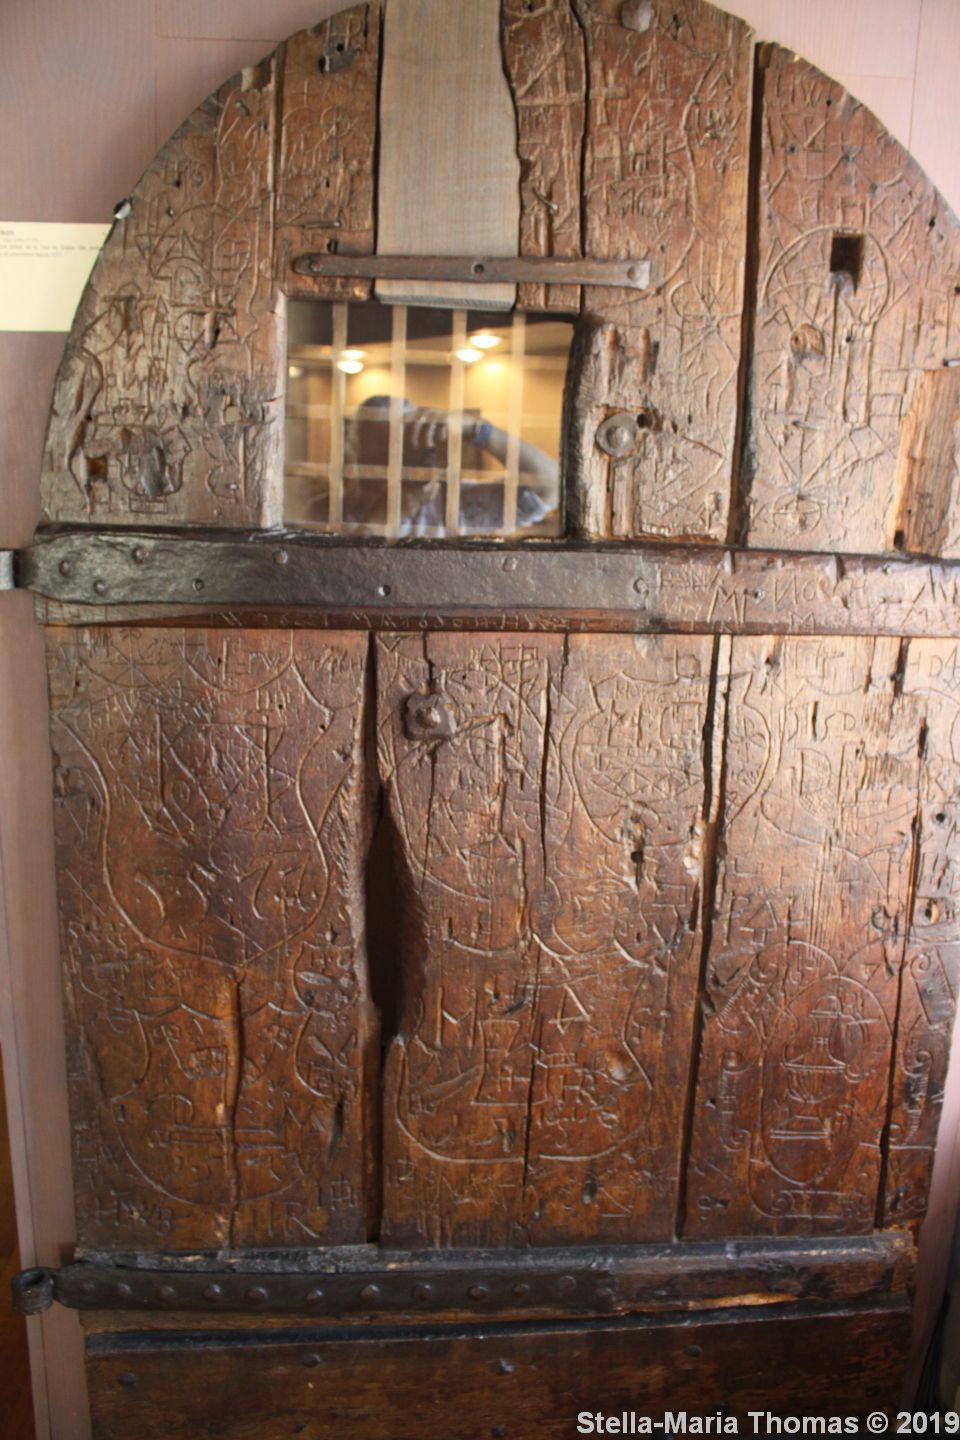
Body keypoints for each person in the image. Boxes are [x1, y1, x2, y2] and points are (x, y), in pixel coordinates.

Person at [344, 394, 559, 536]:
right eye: (381, 449)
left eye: (405, 446)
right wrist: (395, 509)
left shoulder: (449, 504)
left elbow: (551, 487)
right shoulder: (331, 511)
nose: (395, 460)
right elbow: (346, 572)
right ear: (352, 450)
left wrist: (478, 430)